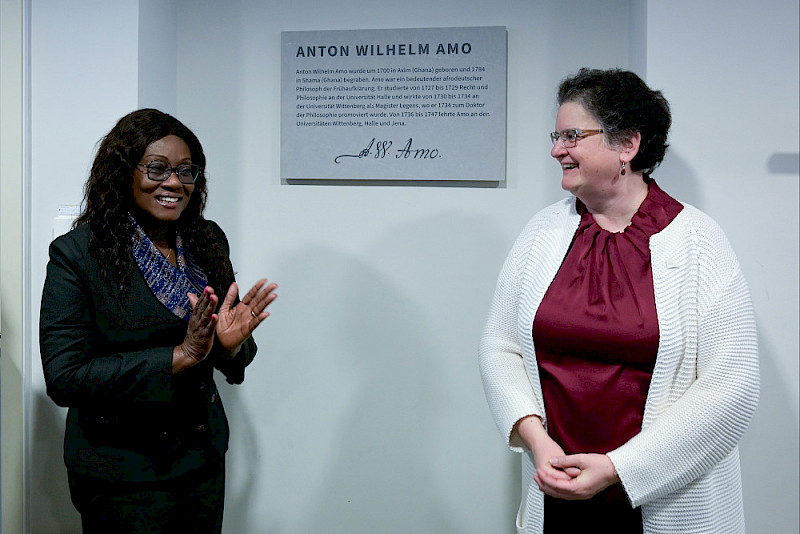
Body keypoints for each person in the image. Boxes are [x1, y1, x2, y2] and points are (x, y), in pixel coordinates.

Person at [479, 68, 759, 533]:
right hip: (556, 491)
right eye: (556, 135)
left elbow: (731, 387)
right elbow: (499, 346)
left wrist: (617, 469)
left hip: (665, 501)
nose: (556, 149)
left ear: (627, 144)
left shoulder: (698, 241)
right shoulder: (543, 233)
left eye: (572, 135)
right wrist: (538, 442)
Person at [39, 108, 278, 533]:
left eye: (187, 171)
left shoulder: (206, 240)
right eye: (157, 168)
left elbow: (229, 353)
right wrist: (178, 356)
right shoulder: (78, 255)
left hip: (200, 460)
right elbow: (65, 376)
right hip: (121, 471)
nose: (173, 183)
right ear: (123, 172)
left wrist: (231, 344)